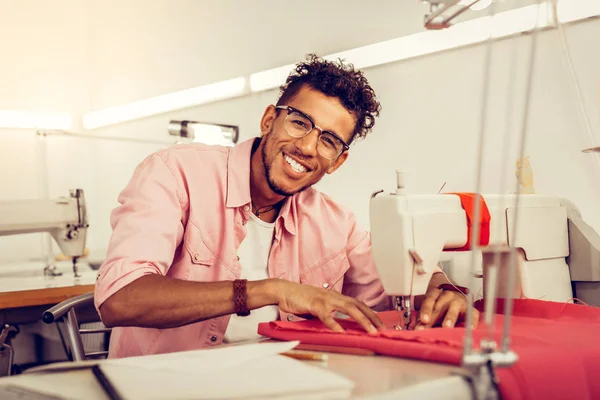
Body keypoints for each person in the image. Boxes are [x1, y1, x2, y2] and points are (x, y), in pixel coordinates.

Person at [94, 54, 478, 358]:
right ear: (268, 120)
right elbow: (121, 298)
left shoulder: (336, 224)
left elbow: (399, 290)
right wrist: (272, 290)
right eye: (299, 123)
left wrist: (443, 290)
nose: (308, 147)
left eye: (328, 141)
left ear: (338, 161)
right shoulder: (175, 173)